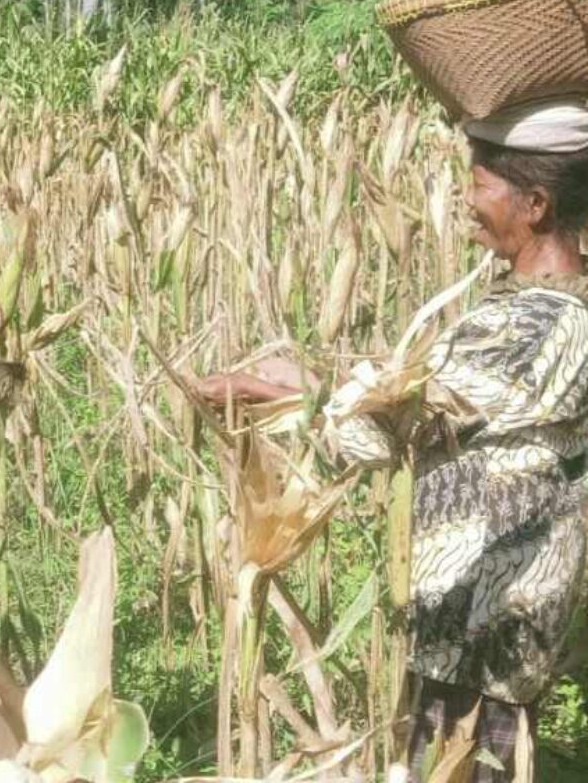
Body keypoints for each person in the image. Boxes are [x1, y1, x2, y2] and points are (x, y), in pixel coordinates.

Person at [196, 99, 588, 781]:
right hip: (451, 632)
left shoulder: (554, 325)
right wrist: (303, 394)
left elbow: (414, 408)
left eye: (479, 185)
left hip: (490, 638)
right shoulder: (509, 308)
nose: (465, 202)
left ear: (535, 205)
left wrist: (304, 392)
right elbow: (400, 420)